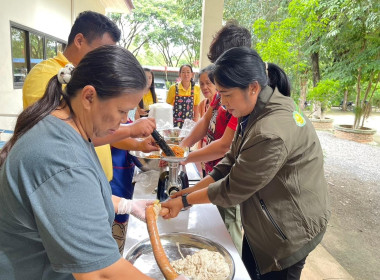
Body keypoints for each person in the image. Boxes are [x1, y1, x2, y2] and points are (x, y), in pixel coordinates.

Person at [0, 45, 186, 280]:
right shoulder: (60, 157)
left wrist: (126, 205)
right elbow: (100, 273)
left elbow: (71, 199)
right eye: (121, 111)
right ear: (89, 96)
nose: (123, 123)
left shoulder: (66, 127)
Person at [162, 47, 330, 280]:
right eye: (219, 93)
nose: (221, 101)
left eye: (226, 94)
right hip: (265, 219)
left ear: (252, 87)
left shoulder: (271, 131)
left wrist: (184, 201)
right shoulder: (253, 107)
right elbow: (231, 158)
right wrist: (191, 191)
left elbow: (233, 189)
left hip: (288, 231)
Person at [22, 10, 156, 182]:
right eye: (102, 51)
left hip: (97, 178)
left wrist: (137, 144)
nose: (105, 60)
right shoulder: (44, 75)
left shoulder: (93, 79)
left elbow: (104, 128)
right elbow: (65, 135)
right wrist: (131, 129)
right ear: (79, 40)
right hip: (72, 180)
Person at [180, 22, 252, 256]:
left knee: (228, 233)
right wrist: (182, 146)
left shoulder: (241, 99)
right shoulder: (223, 93)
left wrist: (185, 157)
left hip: (230, 180)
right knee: (213, 225)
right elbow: (204, 122)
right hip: (213, 172)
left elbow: (224, 146)